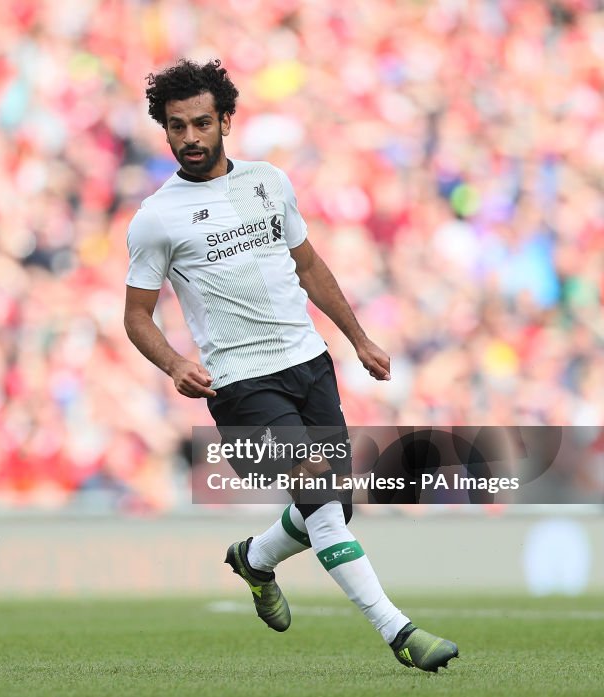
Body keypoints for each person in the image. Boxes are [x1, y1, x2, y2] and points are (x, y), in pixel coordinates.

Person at [123, 58, 458, 672]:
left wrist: (358, 338)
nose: (190, 138)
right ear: (164, 131)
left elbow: (308, 268)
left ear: (226, 119)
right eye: (176, 127)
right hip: (240, 383)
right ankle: (400, 633)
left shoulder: (269, 182)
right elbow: (137, 316)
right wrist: (174, 363)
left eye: (201, 123)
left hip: (309, 364)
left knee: (331, 504)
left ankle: (255, 559)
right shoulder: (156, 218)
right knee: (323, 501)